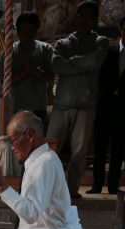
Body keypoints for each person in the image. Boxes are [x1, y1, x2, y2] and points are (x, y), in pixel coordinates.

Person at [46, 1, 109, 199]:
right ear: (77, 17)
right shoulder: (64, 43)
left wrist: (71, 62)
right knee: (49, 151)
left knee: (79, 154)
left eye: (91, 17)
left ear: (94, 21)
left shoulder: (101, 41)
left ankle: (71, 192)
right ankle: (49, 191)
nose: (85, 20)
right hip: (61, 105)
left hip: (86, 105)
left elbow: (95, 61)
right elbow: (57, 66)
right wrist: (82, 64)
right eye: (83, 15)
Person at [87, 17, 125, 194]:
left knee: (119, 149)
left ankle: (113, 185)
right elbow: (99, 77)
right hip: (105, 105)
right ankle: (97, 183)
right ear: (120, 29)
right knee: (100, 148)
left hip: (123, 108)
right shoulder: (109, 50)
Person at [0, 11, 54, 130]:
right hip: (15, 107)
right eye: (23, 31)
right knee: (16, 145)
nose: (27, 35)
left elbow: (51, 78)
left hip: (38, 108)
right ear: (17, 32)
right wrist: (25, 71)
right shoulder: (9, 52)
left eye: (31, 31)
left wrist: (35, 70)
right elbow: (4, 82)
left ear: (36, 30)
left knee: (37, 145)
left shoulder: (45, 49)